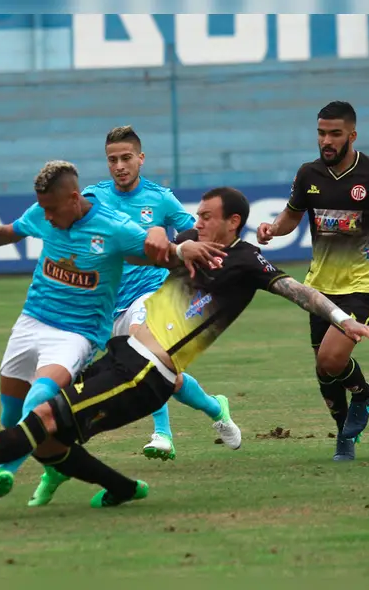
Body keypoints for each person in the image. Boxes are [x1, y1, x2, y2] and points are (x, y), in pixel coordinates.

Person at [0, 187, 369, 508]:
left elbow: (297, 290)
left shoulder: (246, 261)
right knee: (49, 441)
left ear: (233, 222)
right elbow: (156, 239)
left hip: (146, 372)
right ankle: (123, 487)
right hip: (123, 355)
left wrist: (342, 319)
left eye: (207, 217)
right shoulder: (191, 244)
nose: (197, 222)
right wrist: (160, 234)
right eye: (197, 216)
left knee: (41, 419)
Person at [0, 160, 223, 507]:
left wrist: (169, 241)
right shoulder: (42, 212)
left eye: (51, 209)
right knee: (11, 418)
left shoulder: (114, 227)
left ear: (74, 198)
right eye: (42, 208)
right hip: (31, 322)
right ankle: (74, 471)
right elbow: (7, 232)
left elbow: (161, 255)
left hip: (78, 334)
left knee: (40, 401)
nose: (45, 216)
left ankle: (5, 470)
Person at [23, 126, 242, 507]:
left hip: (148, 297)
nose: (120, 166)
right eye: (113, 159)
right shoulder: (92, 197)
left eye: (127, 158)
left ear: (141, 158)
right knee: (75, 390)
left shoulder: (160, 198)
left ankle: (162, 434)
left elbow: (193, 238)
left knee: (146, 363)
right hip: (101, 307)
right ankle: (214, 407)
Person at [257, 101, 369, 461]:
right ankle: (343, 435)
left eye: (334, 134)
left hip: (362, 283)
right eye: (321, 133)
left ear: (352, 135)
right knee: (323, 369)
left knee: (332, 360)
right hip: (318, 285)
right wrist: (272, 229)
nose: (326, 141)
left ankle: (362, 394)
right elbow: (291, 217)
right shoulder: (308, 174)